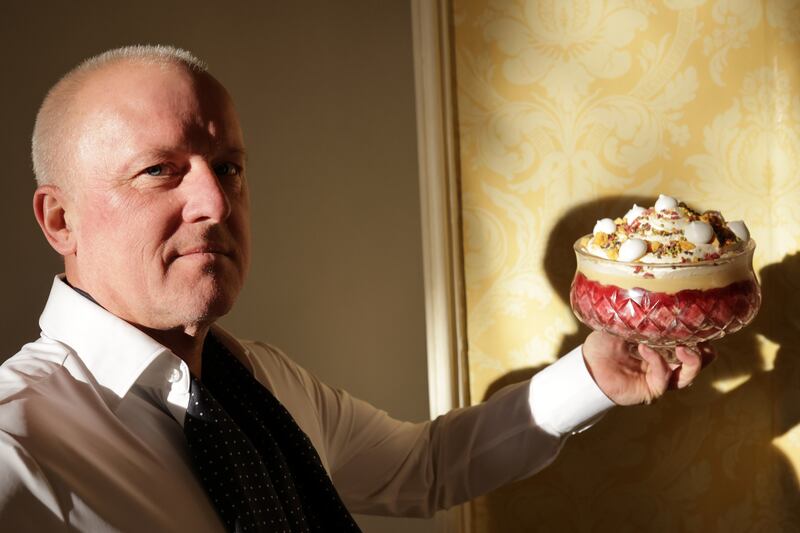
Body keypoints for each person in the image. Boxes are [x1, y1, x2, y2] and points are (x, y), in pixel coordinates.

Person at [0, 45, 707, 532]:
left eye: (230, 166)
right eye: (159, 171)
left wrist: (596, 375)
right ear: (60, 219)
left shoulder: (262, 381)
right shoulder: (19, 444)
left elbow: (426, 466)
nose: (214, 202)